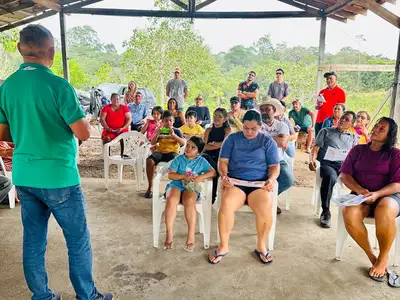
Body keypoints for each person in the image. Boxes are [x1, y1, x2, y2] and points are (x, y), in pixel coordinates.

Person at [0, 24, 112, 300]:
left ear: (19, 48)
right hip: (59, 178)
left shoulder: (6, 87)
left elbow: (3, 134)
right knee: (77, 240)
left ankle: (42, 296)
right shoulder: (59, 86)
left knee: (33, 241)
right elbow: (83, 132)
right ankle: (87, 295)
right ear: (51, 51)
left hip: (25, 177)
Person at [208, 110, 280, 265]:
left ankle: (261, 245)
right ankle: (224, 245)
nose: (249, 132)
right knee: (226, 204)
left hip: (258, 184)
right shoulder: (232, 139)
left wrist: (272, 179)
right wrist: (224, 175)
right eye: (246, 128)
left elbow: (275, 166)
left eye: (253, 129)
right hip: (236, 182)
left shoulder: (268, 142)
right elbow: (223, 162)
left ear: (260, 127)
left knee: (265, 205)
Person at [339, 117, 400, 282]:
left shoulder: (395, 154)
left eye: (382, 129)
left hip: (388, 195)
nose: (375, 129)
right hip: (361, 194)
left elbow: (397, 184)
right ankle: (372, 256)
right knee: (349, 213)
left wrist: (377, 194)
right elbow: (345, 175)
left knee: (385, 209)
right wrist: (360, 190)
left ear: (389, 136)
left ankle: (383, 257)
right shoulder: (357, 150)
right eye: (376, 126)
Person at [163, 136, 216, 251]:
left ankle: (191, 235)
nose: (188, 149)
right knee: (171, 199)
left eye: (193, 147)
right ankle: (169, 233)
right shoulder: (179, 159)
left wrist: (201, 177)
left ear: (199, 151)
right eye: (187, 146)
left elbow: (212, 172)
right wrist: (183, 176)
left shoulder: (201, 161)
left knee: (189, 201)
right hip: (176, 184)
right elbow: (171, 175)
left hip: (191, 186)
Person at [309, 111, 358, 228]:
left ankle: (355, 208)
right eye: (342, 118)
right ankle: (325, 211)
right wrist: (312, 160)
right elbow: (315, 149)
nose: (342, 120)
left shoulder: (353, 138)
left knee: (361, 177)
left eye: (346, 119)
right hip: (328, 164)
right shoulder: (326, 131)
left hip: (344, 166)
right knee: (330, 177)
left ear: (351, 124)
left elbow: (354, 157)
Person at [259, 97, 294, 214]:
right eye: (262, 109)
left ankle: (268, 198)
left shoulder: (282, 125)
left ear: (274, 111)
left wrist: (262, 139)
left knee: (288, 179)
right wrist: (276, 139)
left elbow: (283, 142)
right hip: (259, 161)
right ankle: (264, 200)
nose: (264, 112)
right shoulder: (256, 125)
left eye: (267, 109)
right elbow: (253, 141)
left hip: (278, 160)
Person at [144, 110, 185, 199]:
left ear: (173, 121)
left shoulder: (177, 130)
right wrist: (157, 133)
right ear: (162, 122)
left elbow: (183, 143)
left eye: (170, 120)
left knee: (178, 162)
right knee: (149, 161)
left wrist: (173, 135)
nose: (168, 122)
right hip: (160, 152)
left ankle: (176, 189)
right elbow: (152, 142)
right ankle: (150, 187)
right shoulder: (160, 130)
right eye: (166, 120)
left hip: (173, 153)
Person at [202, 108, 231, 203]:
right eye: (215, 115)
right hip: (208, 156)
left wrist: (212, 144)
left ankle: (212, 196)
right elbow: (204, 147)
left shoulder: (227, 129)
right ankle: (211, 196)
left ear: (225, 119)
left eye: (220, 116)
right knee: (205, 157)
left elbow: (224, 146)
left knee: (215, 167)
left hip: (221, 157)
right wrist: (217, 144)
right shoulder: (208, 130)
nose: (217, 118)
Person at [100, 93, 132, 158]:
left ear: (120, 100)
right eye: (114, 99)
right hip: (109, 129)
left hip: (122, 129)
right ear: (111, 100)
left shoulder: (124, 108)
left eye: (118, 99)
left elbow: (129, 119)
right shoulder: (106, 108)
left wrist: (122, 128)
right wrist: (108, 128)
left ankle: (124, 155)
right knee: (106, 138)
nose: (116, 100)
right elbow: (102, 119)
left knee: (125, 137)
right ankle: (107, 156)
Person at [315, 71, 346, 136]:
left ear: (335, 79)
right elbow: (317, 107)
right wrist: (319, 106)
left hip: (330, 122)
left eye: (330, 78)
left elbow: (341, 108)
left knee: (328, 141)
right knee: (318, 140)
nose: (328, 80)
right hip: (319, 120)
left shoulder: (340, 92)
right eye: (327, 79)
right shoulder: (322, 91)